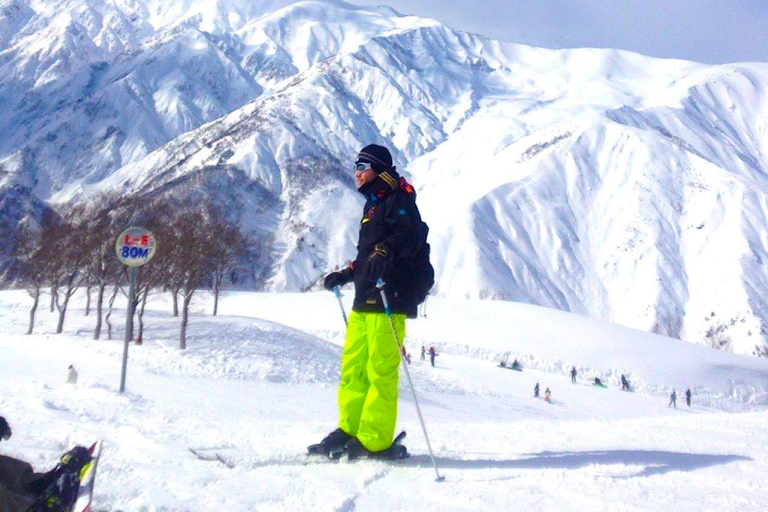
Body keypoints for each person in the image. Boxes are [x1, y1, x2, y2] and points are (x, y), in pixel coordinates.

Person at [311, 144, 429, 459]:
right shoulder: (374, 206)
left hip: (390, 297)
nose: (357, 172)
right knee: (354, 368)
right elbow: (368, 255)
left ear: (378, 169)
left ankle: (375, 439)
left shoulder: (399, 201)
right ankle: (350, 428)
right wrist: (347, 273)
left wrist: (386, 250)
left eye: (362, 166)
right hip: (364, 298)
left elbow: (413, 236)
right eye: (355, 166)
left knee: (380, 370)